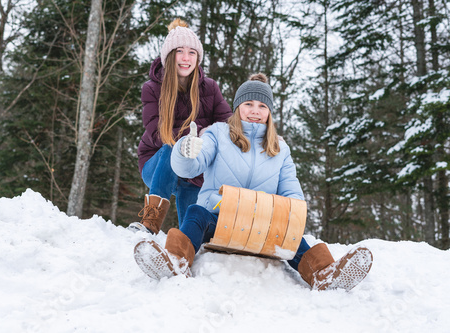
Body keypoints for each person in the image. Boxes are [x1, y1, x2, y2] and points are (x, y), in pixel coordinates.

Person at [133, 74, 373, 291]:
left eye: (261, 106)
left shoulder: (280, 149)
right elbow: (190, 168)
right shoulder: (217, 134)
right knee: (195, 213)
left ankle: (324, 274)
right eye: (248, 104)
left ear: (269, 111)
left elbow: (292, 193)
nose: (255, 111)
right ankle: (175, 261)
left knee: (294, 237)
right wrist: (186, 152)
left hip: (262, 226)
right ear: (238, 108)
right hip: (220, 219)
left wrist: (289, 219)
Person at [129, 18, 232, 234]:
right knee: (171, 148)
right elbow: (156, 133)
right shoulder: (152, 88)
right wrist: (191, 138)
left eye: (192, 53)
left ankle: (188, 242)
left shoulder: (210, 87)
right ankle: (150, 222)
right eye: (180, 52)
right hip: (157, 164)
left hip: (193, 170)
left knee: (192, 228)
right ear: (169, 55)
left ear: (198, 57)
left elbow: (228, 124)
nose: (186, 58)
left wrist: (261, 135)